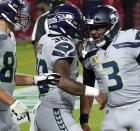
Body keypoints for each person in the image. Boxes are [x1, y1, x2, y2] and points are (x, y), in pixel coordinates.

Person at [79, 5, 140, 131]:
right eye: (92, 28)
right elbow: (87, 88)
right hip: (112, 112)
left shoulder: (129, 40)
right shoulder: (89, 51)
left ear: (111, 25)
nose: (93, 32)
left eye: (98, 27)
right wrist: (84, 119)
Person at [33, 3, 105, 131]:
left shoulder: (45, 39)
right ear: (65, 24)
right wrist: (96, 92)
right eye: (77, 24)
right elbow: (61, 80)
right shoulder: (64, 45)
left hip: (46, 108)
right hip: (55, 110)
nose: (80, 28)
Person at [0, 0, 60, 130]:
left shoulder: (7, 37)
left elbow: (6, 76)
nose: (21, 15)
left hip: (3, 111)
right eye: (18, 11)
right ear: (6, 13)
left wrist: (36, 80)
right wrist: (13, 102)